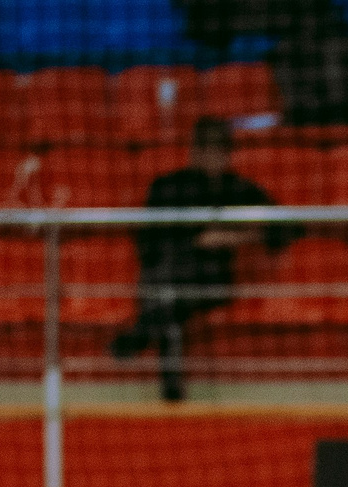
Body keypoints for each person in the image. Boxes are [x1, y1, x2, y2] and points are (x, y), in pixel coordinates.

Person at [110, 117, 286, 404]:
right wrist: (194, 241)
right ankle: (171, 388)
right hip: (164, 276)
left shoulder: (240, 190)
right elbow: (147, 243)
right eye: (207, 150)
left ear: (228, 154)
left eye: (220, 151)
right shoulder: (167, 187)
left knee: (168, 294)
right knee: (170, 300)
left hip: (211, 281)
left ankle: (140, 335)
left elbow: (286, 227)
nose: (213, 158)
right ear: (194, 151)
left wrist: (232, 236)